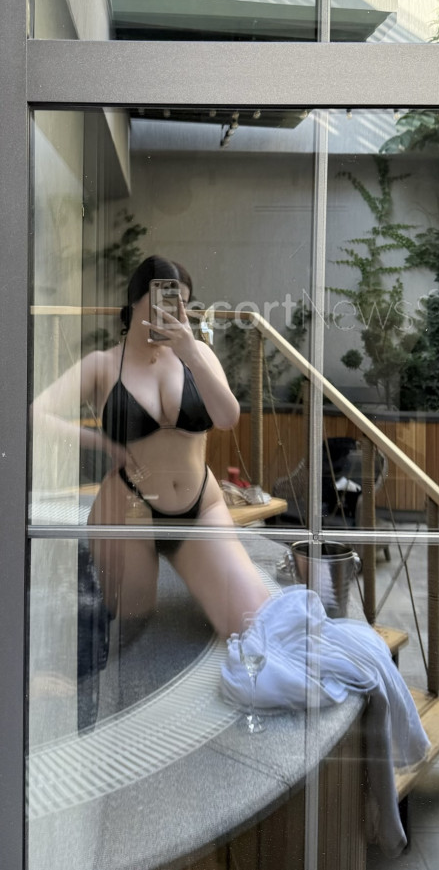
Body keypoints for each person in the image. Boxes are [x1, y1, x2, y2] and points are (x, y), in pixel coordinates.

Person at [33, 256, 271, 639]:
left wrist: (191, 353)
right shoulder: (103, 364)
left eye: (183, 304)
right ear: (137, 300)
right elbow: (36, 414)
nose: (174, 311)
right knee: (132, 630)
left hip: (199, 506)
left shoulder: (198, 355)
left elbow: (228, 417)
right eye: (165, 299)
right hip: (128, 509)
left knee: (253, 624)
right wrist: (102, 442)